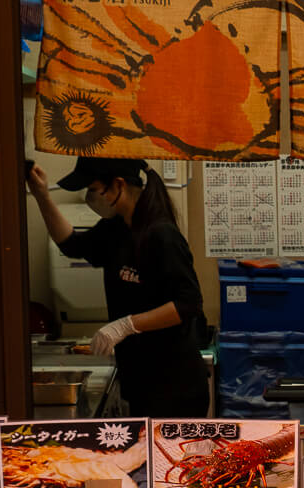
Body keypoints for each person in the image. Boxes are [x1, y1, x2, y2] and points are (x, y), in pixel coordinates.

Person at [27, 156, 210, 417]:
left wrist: (126, 325)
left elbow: (187, 303)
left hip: (174, 384)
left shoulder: (161, 234)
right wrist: (41, 196)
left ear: (118, 185)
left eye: (92, 189)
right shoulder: (115, 229)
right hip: (140, 380)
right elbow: (71, 245)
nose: (90, 198)